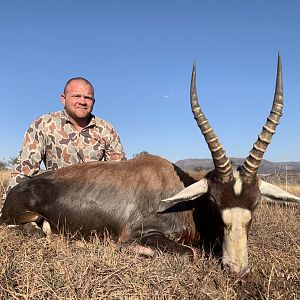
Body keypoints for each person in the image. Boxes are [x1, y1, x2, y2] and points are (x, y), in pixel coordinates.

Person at [1, 77, 126, 208]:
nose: (82, 102)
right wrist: (8, 206)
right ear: (63, 98)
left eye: (87, 98)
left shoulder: (106, 129)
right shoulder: (44, 124)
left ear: (93, 102)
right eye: (76, 96)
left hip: (95, 202)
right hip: (56, 200)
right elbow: (24, 170)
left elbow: (121, 174)